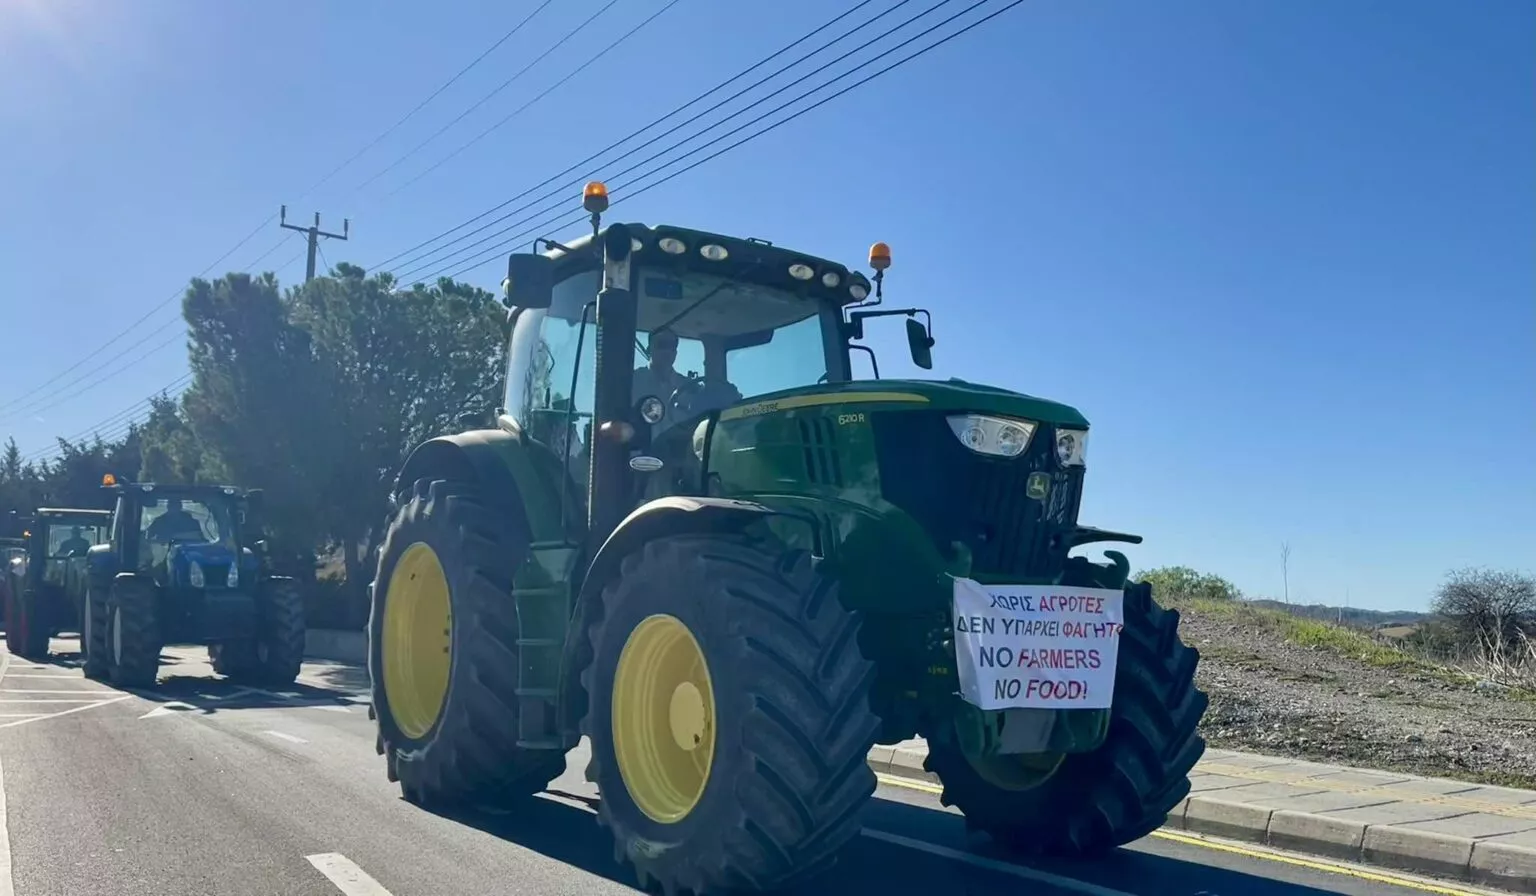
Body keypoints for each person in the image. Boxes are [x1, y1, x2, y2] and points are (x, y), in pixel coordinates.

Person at [632, 329, 687, 406]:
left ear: (675, 352)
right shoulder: (632, 380)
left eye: (672, 346)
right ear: (649, 350)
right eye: (661, 345)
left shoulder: (687, 387)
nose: (667, 351)